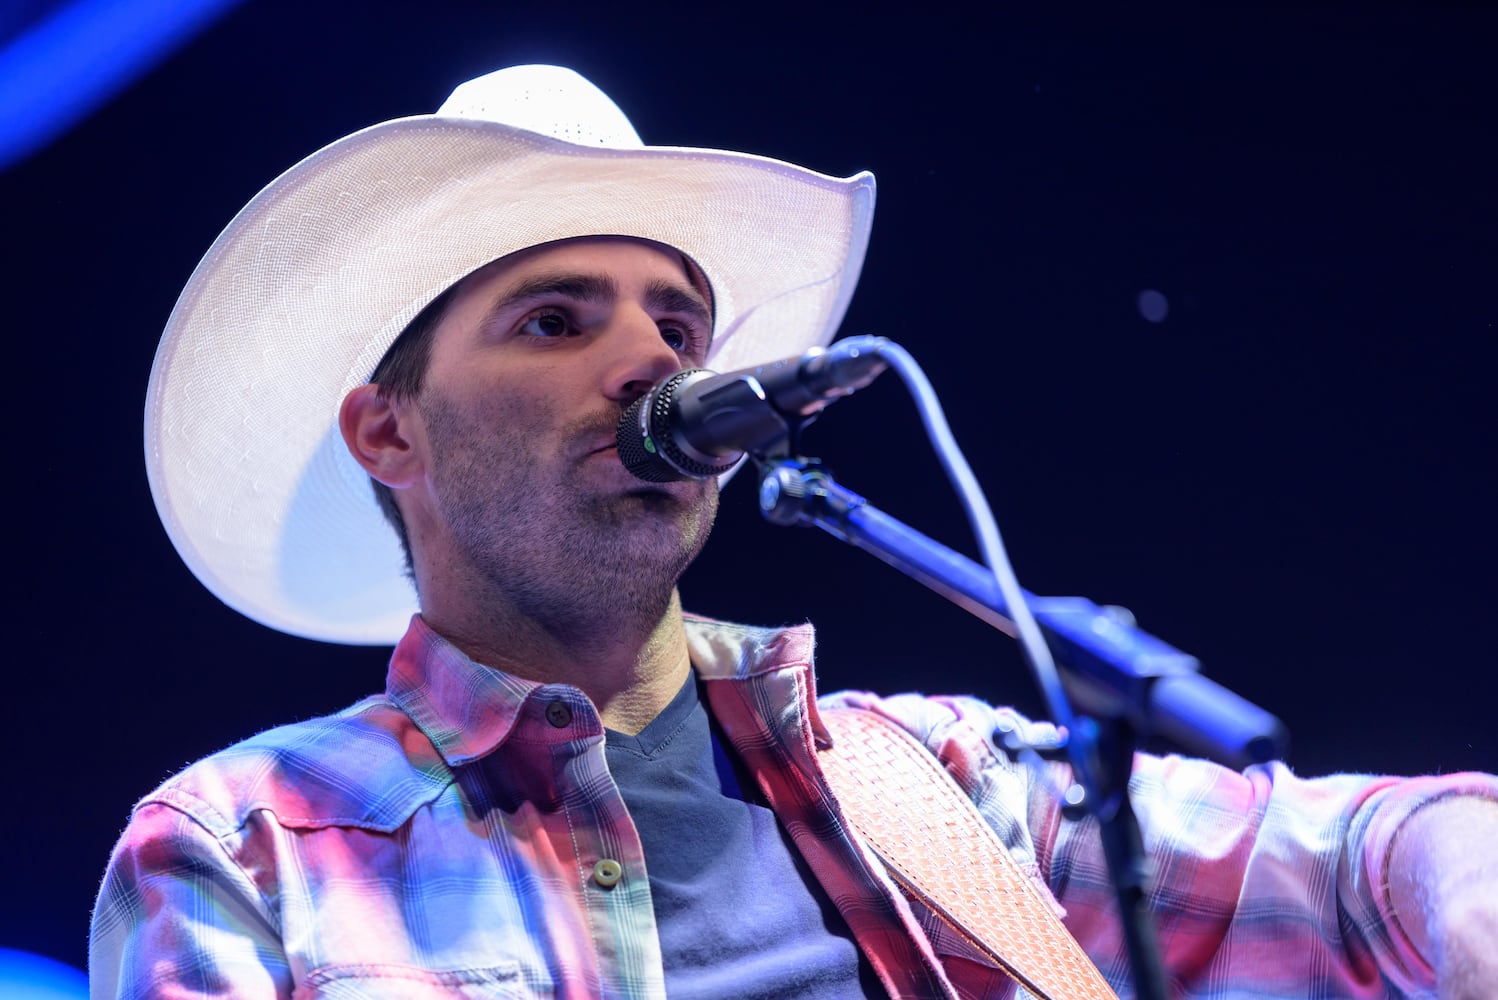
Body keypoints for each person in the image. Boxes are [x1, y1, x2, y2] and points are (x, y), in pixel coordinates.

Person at [91, 65, 1498, 999]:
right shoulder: (247, 850)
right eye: (556, 320)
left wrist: (1452, 867)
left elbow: (1354, 865)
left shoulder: (941, 781)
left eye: (679, 324)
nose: (653, 360)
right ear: (390, 434)